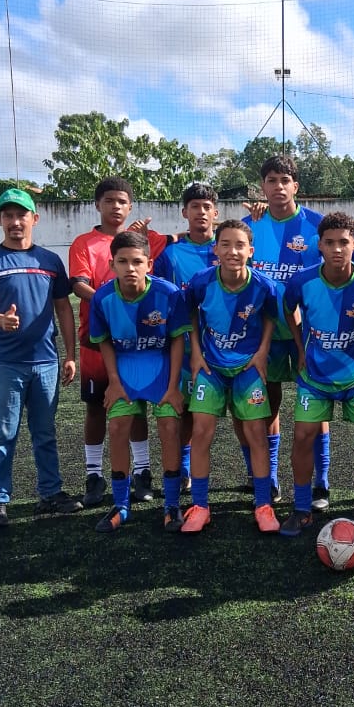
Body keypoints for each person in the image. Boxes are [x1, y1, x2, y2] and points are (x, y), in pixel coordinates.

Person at [0, 187, 82, 528]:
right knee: (2, 433)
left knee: (45, 433)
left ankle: (50, 493)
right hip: (5, 364)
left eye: (22, 215)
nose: (15, 222)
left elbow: (64, 309)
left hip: (45, 362)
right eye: (8, 215)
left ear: (35, 218)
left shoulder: (49, 261)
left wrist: (70, 354)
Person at [280, 211, 354, 539]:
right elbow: (288, 309)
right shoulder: (302, 281)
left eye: (344, 242)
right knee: (303, 436)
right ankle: (302, 509)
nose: (337, 249)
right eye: (330, 243)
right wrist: (300, 348)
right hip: (315, 376)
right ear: (319, 246)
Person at [69, 175, 174, 508]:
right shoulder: (84, 243)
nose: (115, 206)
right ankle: (93, 475)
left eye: (122, 201)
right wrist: (110, 304)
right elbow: (78, 284)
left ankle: (142, 471)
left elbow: (184, 237)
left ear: (130, 206)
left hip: (139, 345)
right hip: (98, 339)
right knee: (97, 407)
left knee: (135, 404)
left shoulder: (142, 239)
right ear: (97, 205)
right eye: (109, 201)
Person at [182, 219, 279, 534]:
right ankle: (200, 506)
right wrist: (196, 352)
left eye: (240, 245)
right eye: (225, 244)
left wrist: (262, 352)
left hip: (248, 369)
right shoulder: (201, 282)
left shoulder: (264, 286)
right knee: (201, 433)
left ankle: (263, 505)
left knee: (257, 435)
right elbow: (190, 314)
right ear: (215, 249)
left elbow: (271, 317)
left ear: (251, 251)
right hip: (210, 368)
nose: (232, 251)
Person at [88, 231, 190, 533]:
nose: (130, 268)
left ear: (149, 264)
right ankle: (121, 505)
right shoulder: (102, 298)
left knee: (169, 428)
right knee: (117, 428)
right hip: (125, 370)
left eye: (137, 261)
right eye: (122, 262)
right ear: (112, 264)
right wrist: (114, 381)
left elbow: (177, 340)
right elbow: (104, 341)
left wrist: (173, 386)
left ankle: (171, 505)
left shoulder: (169, 293)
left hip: (161, 369)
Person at [242, 155, 327, 508]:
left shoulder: (317, 226)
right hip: (263, 332)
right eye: (271, 180)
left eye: (285, 180)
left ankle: (321, 482)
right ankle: (271, 478)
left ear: (296, 186)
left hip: (310, 331)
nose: (278, 186)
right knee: (268, 404)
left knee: (316, 404)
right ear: (262, 187)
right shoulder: (250, 226)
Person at [153, 181, 220, 492]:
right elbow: (160, 294)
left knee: (243, 415)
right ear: (184, 213)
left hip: (227, 345)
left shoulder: (228, 246)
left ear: (215, 213)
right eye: (195, 207)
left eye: (207, 207)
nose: (201, 212)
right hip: (184, 347)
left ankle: (257, 475)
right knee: (186, 410)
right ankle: (183, 470)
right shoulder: (171, 254)